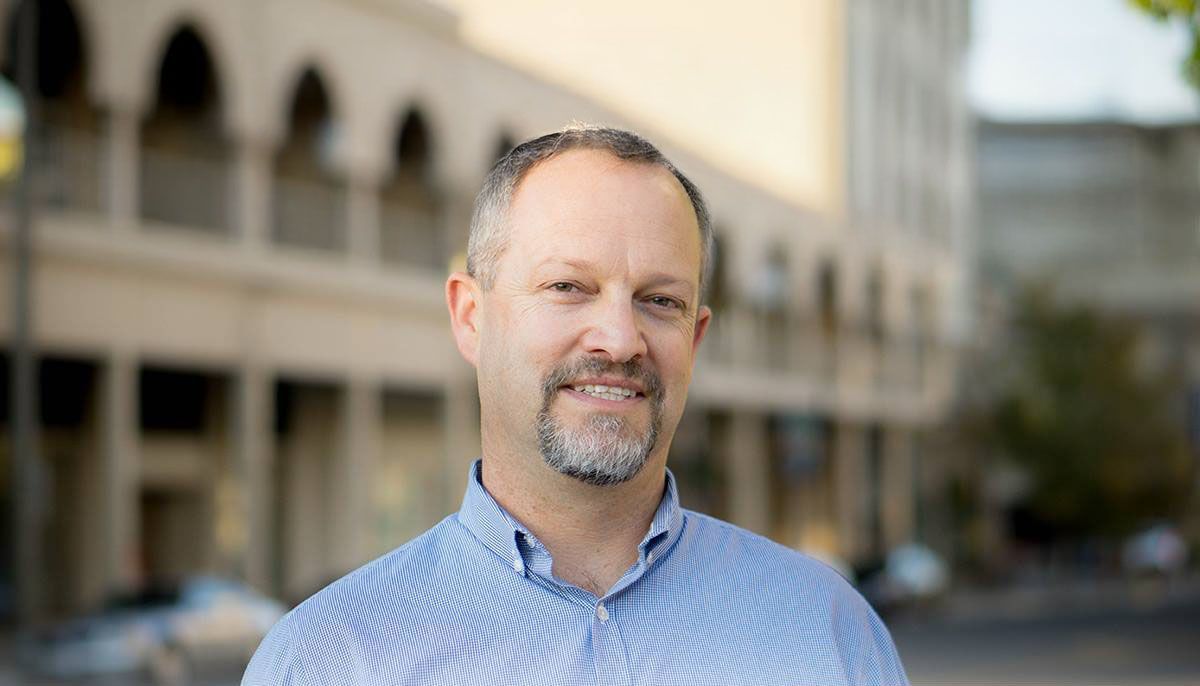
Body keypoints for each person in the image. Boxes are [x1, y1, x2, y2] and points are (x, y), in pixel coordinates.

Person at [242, 125, 910, 686]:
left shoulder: (829, 636)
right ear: (471, 318)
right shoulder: (329, 661)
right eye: (568, 287)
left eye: (660, 301)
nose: (620, 340)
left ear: (695, 338)